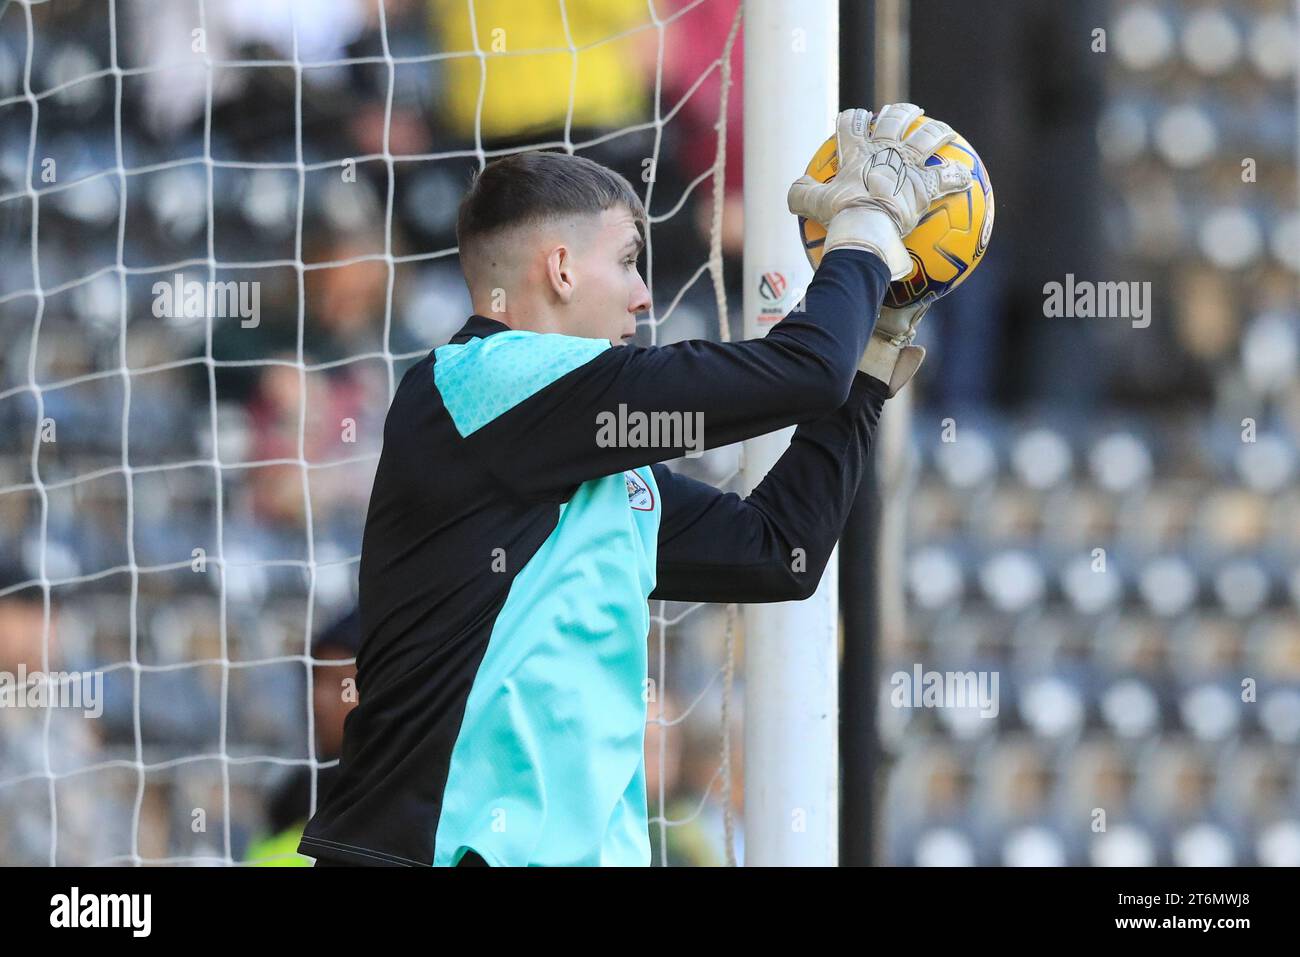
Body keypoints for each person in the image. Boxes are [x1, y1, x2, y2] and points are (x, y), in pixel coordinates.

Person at [298, 105, 969, 866]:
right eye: (627, 261)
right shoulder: (483, 381)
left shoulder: (592, 459)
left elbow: (777, 552)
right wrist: (866, 228)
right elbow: (804, 372)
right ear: (558, 268)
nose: (645, 295)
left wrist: (869, 365)